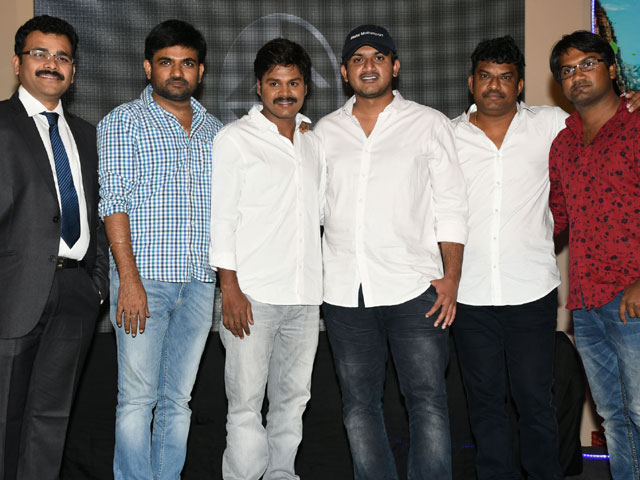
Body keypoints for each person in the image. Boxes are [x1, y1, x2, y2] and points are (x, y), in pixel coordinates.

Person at [314, 25, 468, 479]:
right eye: (358, 59)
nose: (369, 66)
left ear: (395, 66)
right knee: (359, 405)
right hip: (345, 293)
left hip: (415, 288)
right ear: (344, 72)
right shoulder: (324, 132)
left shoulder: (429, 123)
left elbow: (452, 206)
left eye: (378, 57)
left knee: (427, 401)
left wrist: (452, 278)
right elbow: (313, 209)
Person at [97, 20, 222, 480]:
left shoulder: (216, 131)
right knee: (136, 399)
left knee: (178, 401)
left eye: (187, 63)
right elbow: (113, 202)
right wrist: (127, 280)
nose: (177, 71)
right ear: (148, 67)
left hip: (199, 282)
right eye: (166, 62)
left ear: (200, 71)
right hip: (143, 279)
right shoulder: (124, 121)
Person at [451, 35, 566, 480]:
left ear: (519, 85)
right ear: (471, 82)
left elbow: (601, 121)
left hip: (531, 290)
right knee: (484, 404)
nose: (494, 85)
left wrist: (632, 104)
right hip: (469, 294)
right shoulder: (447, 135)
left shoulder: (550, 124)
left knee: (535, 400)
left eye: (505, 77)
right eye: (485, 76)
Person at [209, 38, 324, 480]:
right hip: (252, 296)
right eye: (274, 83)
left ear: (306, 87)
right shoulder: (235, 139)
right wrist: (230, 289)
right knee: (245, 405)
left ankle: (281, 474)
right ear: (258, 86)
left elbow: (319, 215)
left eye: (293, 82)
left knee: (293, 402)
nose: (284, 92)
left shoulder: (313, 142)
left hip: (305, 297)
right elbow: (222, 220)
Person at [0, 15, 108, 480]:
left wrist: (97, 285)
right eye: (40, 53)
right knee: (4, 421)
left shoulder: (87, 134)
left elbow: (99, 212)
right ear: (17, 63)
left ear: (73, 71)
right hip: (11, 294)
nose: (51, 64)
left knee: (50, 422)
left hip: (76, 294)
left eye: (62, 57)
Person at [549, 30, 640, 480]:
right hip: (585, 305)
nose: (577, 75)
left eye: (587, 63)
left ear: (611, 69)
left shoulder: (637, 125)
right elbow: (554, 219)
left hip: (632, 296)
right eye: (567, 70)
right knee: (614, 418)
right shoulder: (563, 143)